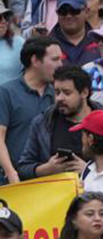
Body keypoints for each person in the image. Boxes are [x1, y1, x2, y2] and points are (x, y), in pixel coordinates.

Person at [0, 37, 60, 185]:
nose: (60, 65)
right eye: (55, 59)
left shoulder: (58, 95)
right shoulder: (6, 92)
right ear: (35, 60)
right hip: (12, 182)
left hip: (49, 179)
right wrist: (11, 173)